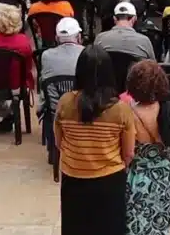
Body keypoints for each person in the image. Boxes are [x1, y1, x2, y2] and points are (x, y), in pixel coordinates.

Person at [55, 45, 136, 235]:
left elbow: (59, 143)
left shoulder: (65, 102)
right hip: (109, 181)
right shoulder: (121, 109)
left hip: (72, 179)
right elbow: (128, 153)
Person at [124, 60, 170, 235]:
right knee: (160, 227)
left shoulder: (127, 112)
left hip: (138, 176)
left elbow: (127, 151)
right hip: (164, 176)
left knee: (135, 224)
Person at [0, 4, 35, 132]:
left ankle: (7, 115)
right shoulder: (23, 41)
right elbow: (27, 67)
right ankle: (10, 113)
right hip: (17, 85)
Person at [40, 17, 86, 82]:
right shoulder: (86, 54)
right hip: (79, 92)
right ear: (79, 37)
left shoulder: (46, 55)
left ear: (56, 38)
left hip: (54, 92)